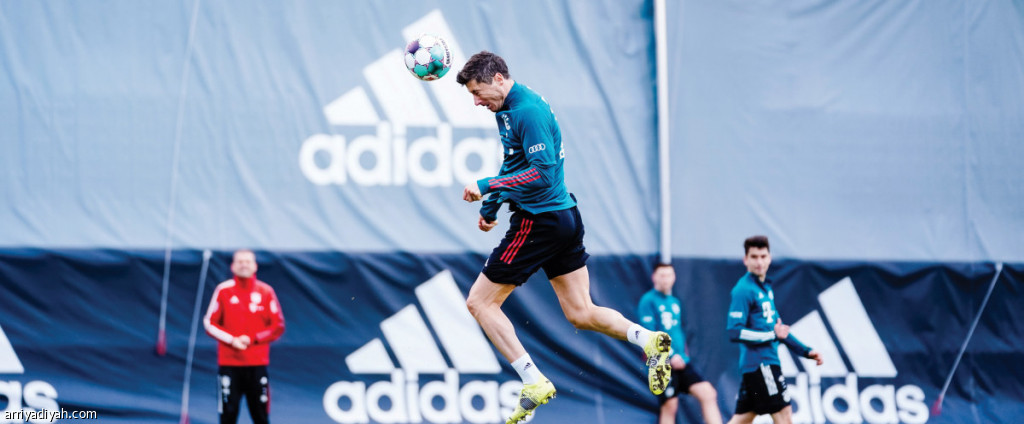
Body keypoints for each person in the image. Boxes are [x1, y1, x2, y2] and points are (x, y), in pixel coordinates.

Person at [456, 51, 672, 424]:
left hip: (539, 222)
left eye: (478, 92)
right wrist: (490, 207)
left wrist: (487, 185)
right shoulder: (508, 109)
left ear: (499, 79)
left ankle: (533, 381)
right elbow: (514, 162)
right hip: (563, 217)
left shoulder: (528, 111)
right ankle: (647, 339)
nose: (476, 101)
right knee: (581, 312)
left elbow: (541, 173)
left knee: (480, 303)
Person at [725, 236, 823, 424]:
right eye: (754, 257)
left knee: (742, 419)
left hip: (759, 366)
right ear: (745, 260)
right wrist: (771, 335)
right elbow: (734, 331)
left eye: (763, 256)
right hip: (761, 365)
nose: (759, 262)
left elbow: (779, 329)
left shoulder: (765, 290)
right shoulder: (743, 290)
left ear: (769, 258)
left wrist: (805, 351)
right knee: (784, 416)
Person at [203, 249, 286, 424]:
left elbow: (278, 326)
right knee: (228, 414)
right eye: (240, 262)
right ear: (233, 266)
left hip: (257, 364)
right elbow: (209, 323)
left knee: (261, 415)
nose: (244, 265)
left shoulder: (265, 291)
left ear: (255, 266)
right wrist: (232, 340)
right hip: (229, 365)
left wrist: (254, 338)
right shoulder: (223, 291)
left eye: (248, 262)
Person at [638, 263, 722, 424]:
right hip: (661, 362)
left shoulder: (675, 302)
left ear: (674, 277)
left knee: (708, 393)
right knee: (670, 405)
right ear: (654, 277)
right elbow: (648, 334)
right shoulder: (647, 301)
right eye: (662, 275)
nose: (666, 279)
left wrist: (682, 355)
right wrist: (669, 356)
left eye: (669, 275)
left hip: (682, 361)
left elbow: (677, 332)